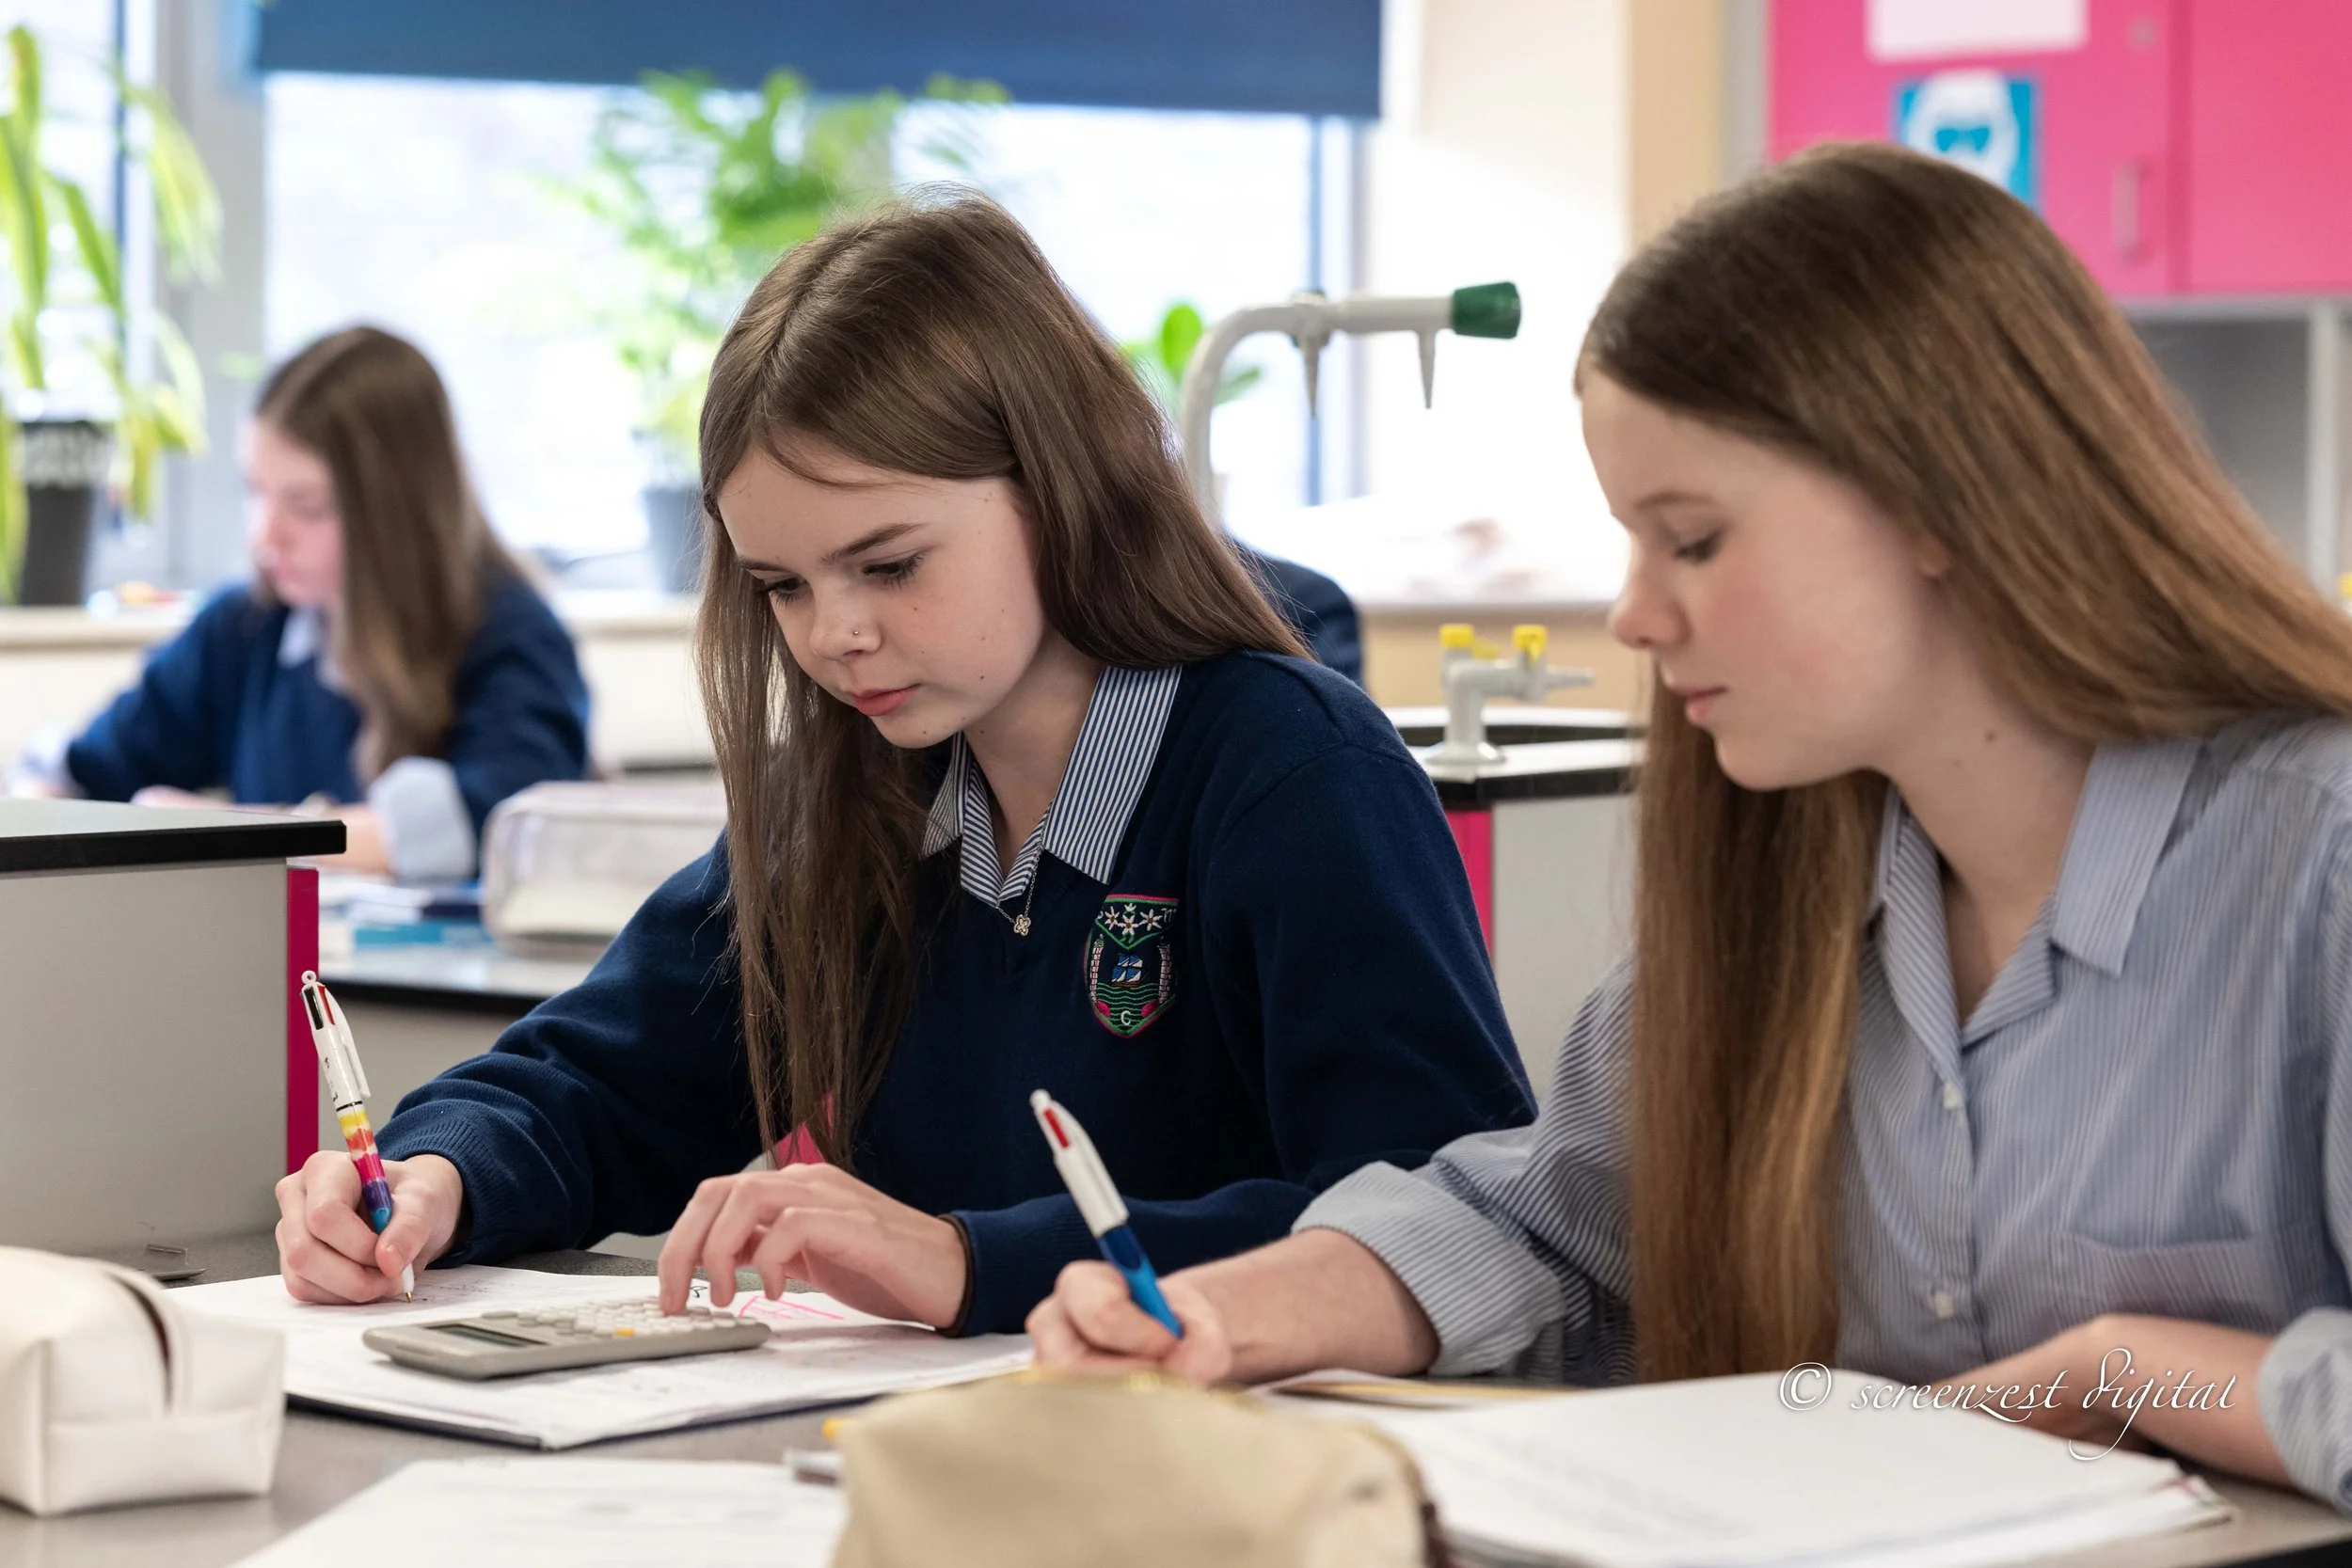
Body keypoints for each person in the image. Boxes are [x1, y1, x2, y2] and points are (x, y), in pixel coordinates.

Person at [1031, 141, 2352, 1511]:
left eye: (1695, 538)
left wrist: (2126, 1368)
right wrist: (1223, 1317)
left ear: (1941, 501)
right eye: (1630, 539)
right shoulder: (1795, 883)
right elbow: (1545, 1224)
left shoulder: (2319, 854)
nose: (1637, 613)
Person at [271, 195, 1533, 1335]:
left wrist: (971, 1258)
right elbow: (604, 1078)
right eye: (782, 585)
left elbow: (1435, 1217)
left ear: (1061, 487)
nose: (835, 633)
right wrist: (435, 1173)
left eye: (888, 563)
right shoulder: (856, 788)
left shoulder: (1293, 775)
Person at [17, 326, 589, 879]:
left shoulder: (512, 636)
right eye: (255, 492)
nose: (266, 537)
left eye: (307, 505)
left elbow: (496, 826)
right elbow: (78, 775)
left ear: (399, 513)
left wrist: (221, 830)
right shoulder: (245, 627)